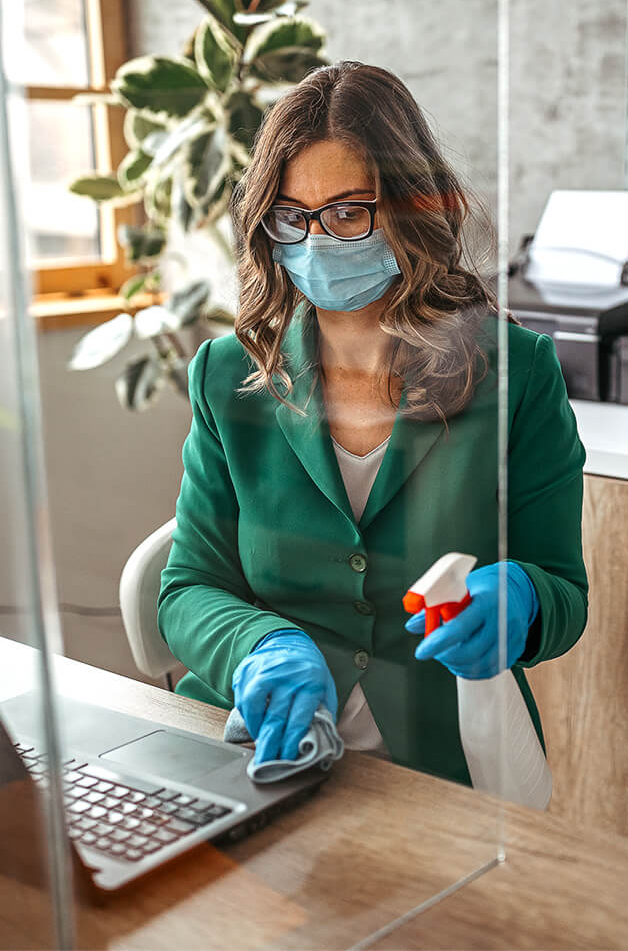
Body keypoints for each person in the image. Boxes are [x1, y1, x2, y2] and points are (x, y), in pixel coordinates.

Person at [158, 61, 587, 786]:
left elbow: (564, 593)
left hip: (435, 762)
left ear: (411, 209)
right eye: (291, 215)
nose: (316, 241)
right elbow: (188, 588)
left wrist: (523, 597)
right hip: (257, 747)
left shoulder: (517, 374)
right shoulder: (226, 376)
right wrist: (258, 644)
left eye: (349, 212)